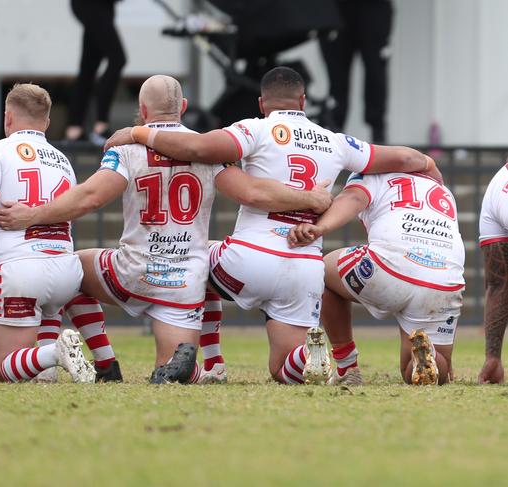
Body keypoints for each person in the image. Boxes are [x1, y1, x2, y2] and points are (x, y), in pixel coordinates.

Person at [103, 66, 441, 385]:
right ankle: (309, 356)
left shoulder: (255, 128)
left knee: (193, 260)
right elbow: (404, 158)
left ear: (262, 103)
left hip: (249, 258)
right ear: (304, 102)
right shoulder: (336, 141)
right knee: (283, 368)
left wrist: (136, 132)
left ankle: (214, 363)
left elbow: (197, 147)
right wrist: (428, 164)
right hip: (305, 266)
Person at [0, 74, 333, 384]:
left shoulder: (127, 147)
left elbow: (91, 198)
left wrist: (31, 215)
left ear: (142, 110)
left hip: (132, 272)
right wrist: (312, 198)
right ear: (183, 107)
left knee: (70, 270)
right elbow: (253, 193)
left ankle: (104, 362)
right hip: (183, 283)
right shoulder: (209, 150)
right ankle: (204, 368)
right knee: (169, 368)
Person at [0, 83, 122, 383]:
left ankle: (53, 354)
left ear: (7, 117)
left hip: (19, 269)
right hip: (66, 272)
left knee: (3, 369)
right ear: (47, 123)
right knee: (50, 302)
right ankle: (52, 366)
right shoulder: (62, 160)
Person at [288, 167, 464, 385]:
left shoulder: (371, 174)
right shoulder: (442, 191)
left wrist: (319, 227)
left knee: (320, 271)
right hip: (444, 281)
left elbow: (353, 199)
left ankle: (347, 366)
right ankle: (433, 359)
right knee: (417, 370)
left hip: (390, 265)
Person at [319, 0, 394, 143]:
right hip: (336, 9)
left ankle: (378, 131)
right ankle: (334, 130)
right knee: (336, 77)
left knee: (376, 71)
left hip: (374, 9)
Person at [65, 0, 126, 145]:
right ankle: (100, 125)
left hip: (100, 6)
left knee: (89, 66)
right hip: (91, 5)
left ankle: (74, 128)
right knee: (117, 59)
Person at [477, 163, 508, 384]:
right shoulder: (502, 191)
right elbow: (499, 284)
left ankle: (492, 360)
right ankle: (492, 362)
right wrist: (493, 357)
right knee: (499, 281)